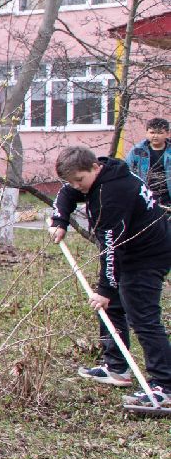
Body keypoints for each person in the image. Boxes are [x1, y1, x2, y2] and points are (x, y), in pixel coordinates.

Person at [48, 145, 171, 410]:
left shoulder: (112, 193)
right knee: (112, 304)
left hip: (148, 255)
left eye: (79, 180)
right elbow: (67, 193)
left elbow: (111, 247)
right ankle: (116, 368)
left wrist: (105, 288)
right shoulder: (104, 172)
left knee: (143, 317)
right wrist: (60, 218)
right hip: (132, 251)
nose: (76, 186)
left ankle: (166, 386)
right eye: (72, 180)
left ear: (94, 168)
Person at [125, 117, 170, 207]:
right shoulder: (137, 151)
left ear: (167, 134)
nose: (155, 136)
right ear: (146, 133)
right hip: (145, 197)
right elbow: (127, 171)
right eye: (152, 132)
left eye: (160, 133)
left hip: (167, 198)